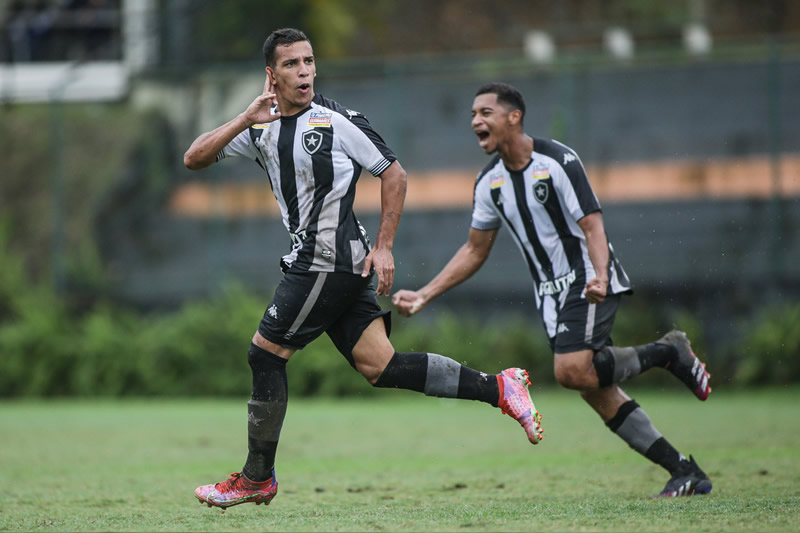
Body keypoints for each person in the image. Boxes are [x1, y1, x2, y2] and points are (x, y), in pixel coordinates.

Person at [183, 30, 543, 510]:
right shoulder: (260, 127)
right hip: (332, 265)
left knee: (265, 356)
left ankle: (256, 478)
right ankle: (499, 387)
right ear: (271, 75)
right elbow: (194, 158)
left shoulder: (335, 120)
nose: (305, 71)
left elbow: (393, 173)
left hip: (324, 261)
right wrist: (245, 118)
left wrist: (386, 247)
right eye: (292, 64)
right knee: (382, 366)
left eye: (309, 61)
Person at [392, 82, 713, 498]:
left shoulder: (557, 161)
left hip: (586, 280)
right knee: (594, 390)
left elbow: (592, 224)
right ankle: (684, 471)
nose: (475, 121)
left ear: (514, 117)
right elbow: (475, 249)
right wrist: (425, 294)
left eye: (485, 112)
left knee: (570, 370)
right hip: (550, 297)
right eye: (472, 114)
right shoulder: (489, 182)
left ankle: (668, 351)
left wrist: (599, 275)